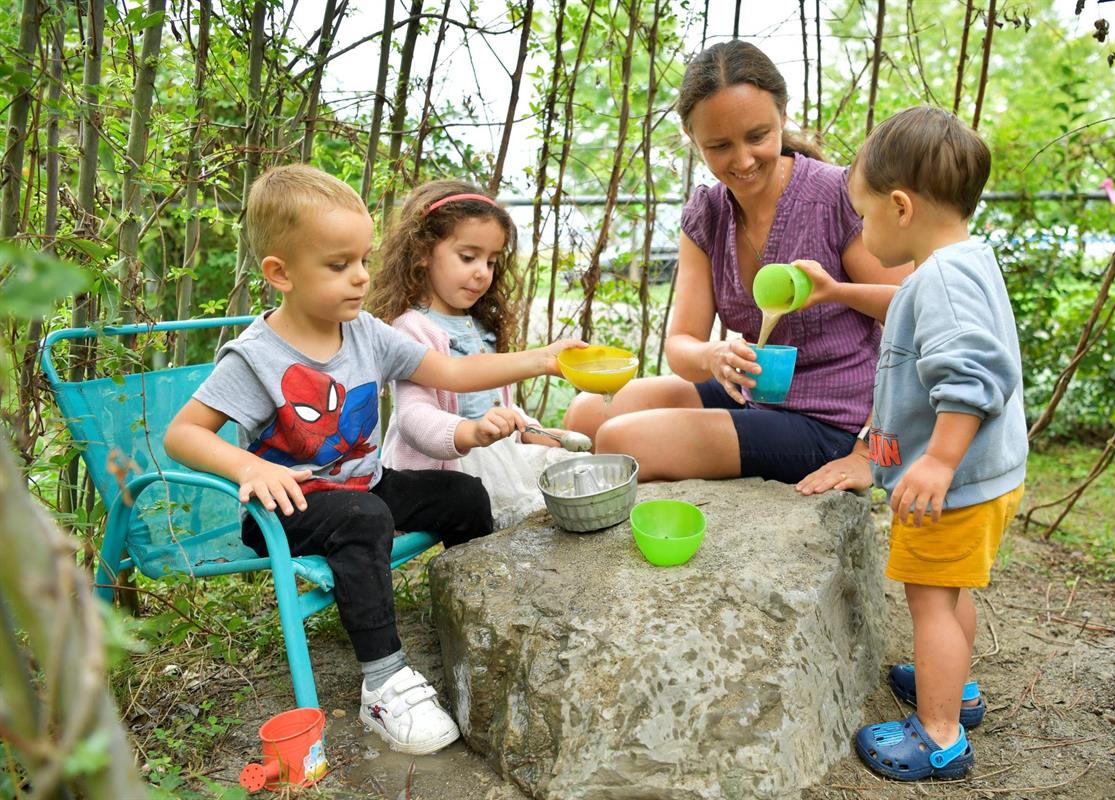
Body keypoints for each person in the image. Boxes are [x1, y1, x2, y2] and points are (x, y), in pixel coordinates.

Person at [163, 164, 582, 756]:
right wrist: (250, 468)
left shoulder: (363, 331)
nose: (360, 278)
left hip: (364, 483)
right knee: (364, 518)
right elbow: (183, 435)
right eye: (339, 266)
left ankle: (480, 616)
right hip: (292, 506)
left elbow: (455, 372)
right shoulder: (256, 357)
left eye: (362, 260)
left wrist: (543, 358)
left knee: (461, 496)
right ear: (280, 274)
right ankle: (384, 684)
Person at [563, 40, 907, 485]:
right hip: (754, 396)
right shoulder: (706, 215)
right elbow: (682, 346)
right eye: (720, 145)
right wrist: (715, 355)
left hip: (830, 422)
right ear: (693, 140)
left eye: (758, 136)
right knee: (587, 411)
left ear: (783, 116)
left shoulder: (837, 197)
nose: (742, 161)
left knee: (620, 440)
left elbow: (914, 316)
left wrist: (872, 452)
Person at [846, 107, 1027, 781]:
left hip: (955, 480)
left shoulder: (942, 278)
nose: (860, 231)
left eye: (862, 216)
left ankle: (940, 734)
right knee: (947, 593)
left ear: (900, 206)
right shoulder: (964, 260)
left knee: (929, 600)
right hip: (984, 477)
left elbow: (972, 375)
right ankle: (957, 687)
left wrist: (940, 461)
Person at [369, 180, 578, 530]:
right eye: (468, 257)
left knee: (569, 465)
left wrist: (529, 430)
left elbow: (496, 406)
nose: (482, 272)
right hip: (448, 467)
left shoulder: (478, 324)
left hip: (493, 454)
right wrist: (470, 432)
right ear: (422, 252)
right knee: (513, 511)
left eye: (491, 261)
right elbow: (414, 418)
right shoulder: (412, 329)